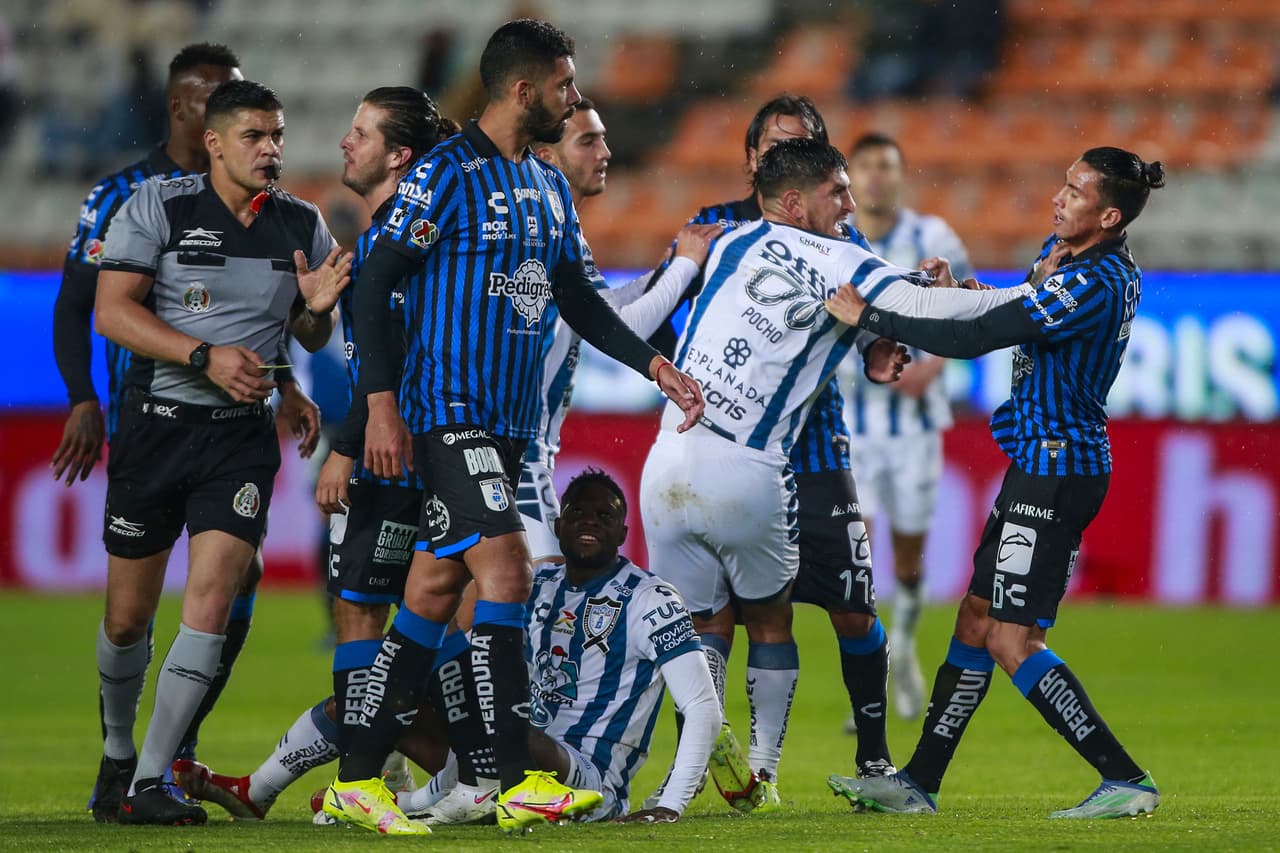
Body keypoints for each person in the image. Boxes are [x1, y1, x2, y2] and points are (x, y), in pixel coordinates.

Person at [322, 19, 704, 836]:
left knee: (431, 592)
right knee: (509, 573)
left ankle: (357, 777)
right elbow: (374, 280)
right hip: (445, 414)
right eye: (565, 85)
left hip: (508, 430)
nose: (574, 98)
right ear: (524, 90)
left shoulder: (548, 186)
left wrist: (652, 366)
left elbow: (579, 297)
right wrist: (382, 405)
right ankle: (511, 778)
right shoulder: (446, 174)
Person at [639, 136, 1025, 810]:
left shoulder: (727, 241)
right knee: (769, 616)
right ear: (795, 200)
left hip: (665, 458)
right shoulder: (848, 259)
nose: (852, 203)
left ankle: (676, 788)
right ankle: (760, 771)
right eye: (837, 191)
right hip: (747, 467)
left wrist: (880, 331)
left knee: (700, 624)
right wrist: (1027, 298)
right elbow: (931, 313)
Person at [826, 147, 1165, 819]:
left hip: (1060, 468)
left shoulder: (1097, 279)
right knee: (976, 619)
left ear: (1110, 214)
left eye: (1075, 193)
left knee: (1013, 639)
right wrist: (959, 289)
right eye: (1062, 183)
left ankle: (1125, 778)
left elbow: (983, 336)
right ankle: (918, 781)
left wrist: (872, 317)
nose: (1058, 199)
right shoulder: (1066, 255)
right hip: (1036, 463)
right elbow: (1010, 305)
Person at [170, 86, 465, 821]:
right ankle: (385, 777)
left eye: (359, 132)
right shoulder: (379, 240)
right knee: (386, 618)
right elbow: (361, 347)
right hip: (399, 456)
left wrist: (345, 444)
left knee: (403, 621)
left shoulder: (409, 239)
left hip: (410, 458)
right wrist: (311, 314)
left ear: (399, 155)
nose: (343, 142)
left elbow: (401, 357)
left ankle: (476, 769)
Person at [67, 45, 320, 823]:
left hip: (239, 440)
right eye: (254, 136)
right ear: (214, 142)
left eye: (276, 135)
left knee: (211, 596)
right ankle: (117, 750)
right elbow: (111, 312)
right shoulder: (155, 206)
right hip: (156, 427)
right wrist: (204, 355)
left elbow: (305, 328)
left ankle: (151, 778)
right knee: (126, 618)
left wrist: (306, 325)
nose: (271, 149)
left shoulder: (302, 221)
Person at [642, 94, 899, 812]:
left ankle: (873, 756)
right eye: (776, 143)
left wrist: (883, 353)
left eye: (806, 141)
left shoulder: (843, 240)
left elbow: (878, 322)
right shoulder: (710, 232)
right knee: (715, 613)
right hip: (718, 442)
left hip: (814, 445)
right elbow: (658, 318)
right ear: (753, 159)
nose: (788, 150)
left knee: (852, 605)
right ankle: (724, 759)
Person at [404, 469, 721, 824]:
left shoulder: (651, 600)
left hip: (589, 778)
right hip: (513, 750)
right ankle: (380, 793)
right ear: (557, 526)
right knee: (387, 697)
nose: (590, 522)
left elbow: (701, 706)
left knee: (506, 725)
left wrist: (670, 806)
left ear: (623, 533)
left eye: (605, 516)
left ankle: (430, 799)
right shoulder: (534, 584)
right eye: (578, 512)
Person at [516, 97, 719, 558]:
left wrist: (672, 268)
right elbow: (619, 327)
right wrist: (684, 267)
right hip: (517, 455)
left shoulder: (553, 228)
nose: (605, 152)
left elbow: (600, 307)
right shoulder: (545, 232)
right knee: (534, 593)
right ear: (546, 157)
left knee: (460, 603)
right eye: (588, 141)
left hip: (517, 451)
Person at [841, 131, 975, 724]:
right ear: (850, 175)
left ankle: (909, 647)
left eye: (886, 166)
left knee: (912, 557)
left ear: (899, 175)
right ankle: (882, 666)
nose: (876, 177)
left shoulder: (934, 236)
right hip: (853, 427)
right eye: (865, 166)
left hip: (917, 427)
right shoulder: (834, 239)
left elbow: (970, 307)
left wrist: (936, 365)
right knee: (862, 558)